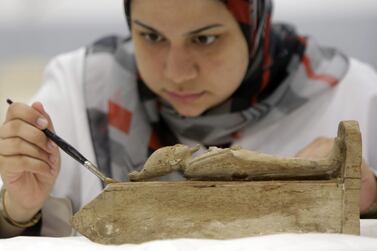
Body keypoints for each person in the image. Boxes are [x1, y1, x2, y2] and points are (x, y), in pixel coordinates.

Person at [0, 0, 377, 237]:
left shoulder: (352, 96)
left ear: (254, 23)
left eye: (205, 39)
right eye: (151, 36)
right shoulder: (79, 91)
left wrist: (370, 197)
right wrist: (17, 209)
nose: (176, 72)